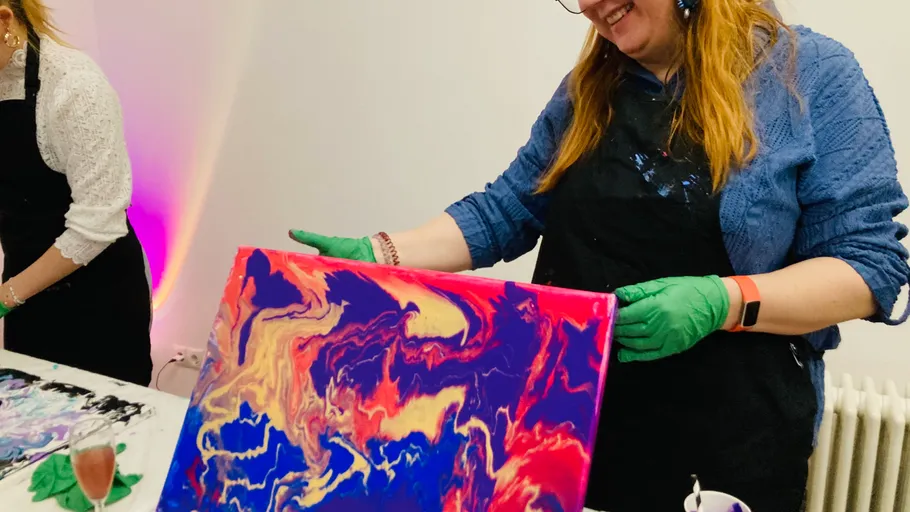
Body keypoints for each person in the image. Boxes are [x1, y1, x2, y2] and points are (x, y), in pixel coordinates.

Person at [289, 0, 910, 510]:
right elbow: (507, 209)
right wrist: (382, 253)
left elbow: (867, 267)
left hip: (724, 442)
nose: (589, 6)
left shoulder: (811, 77)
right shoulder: (592, 85)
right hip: (565, 423)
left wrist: (724, 300)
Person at [0, 0, 152, 386]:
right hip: (24, 292)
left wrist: (7, 296)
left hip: (97, 302)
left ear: (4, 19)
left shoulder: (73, 85)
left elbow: (98, 222)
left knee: (105, 437)